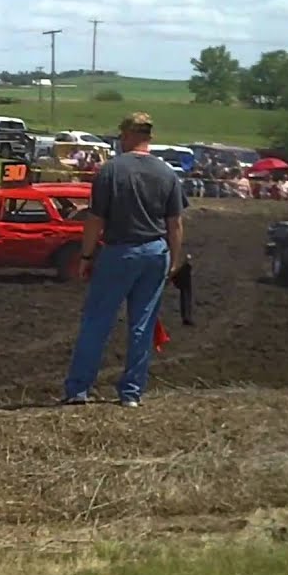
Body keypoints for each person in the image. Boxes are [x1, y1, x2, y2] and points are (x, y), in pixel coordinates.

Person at [61, 112, 186, 408]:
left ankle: (79, 389)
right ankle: (131, 393)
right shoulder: (167, 173)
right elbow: (176, 223)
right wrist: (175, 260)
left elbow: (95, 219)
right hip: (156, 251)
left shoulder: (110, 170)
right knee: (142, 324)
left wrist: (86, 255)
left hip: (120, 251)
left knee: (97, 321)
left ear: (128, 136)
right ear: (149, 137)